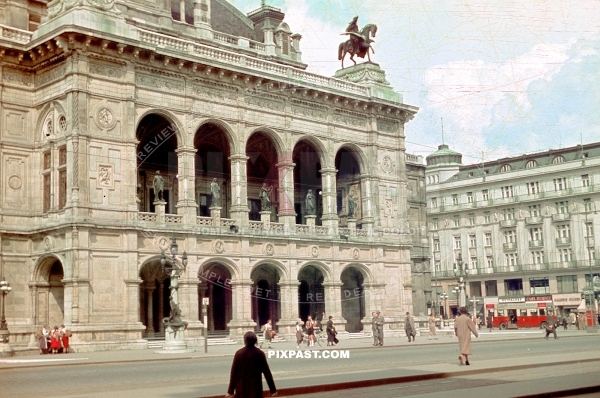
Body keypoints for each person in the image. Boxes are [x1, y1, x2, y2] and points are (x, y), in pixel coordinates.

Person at [226, 331, 278, 398]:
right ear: (255, 341)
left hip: (241, 389)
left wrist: (230, 391)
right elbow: (267, 373)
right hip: (256, 388)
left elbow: (233, 374)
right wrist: (273, 390)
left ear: (245, 340)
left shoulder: (239, 353)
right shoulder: (260, 354)